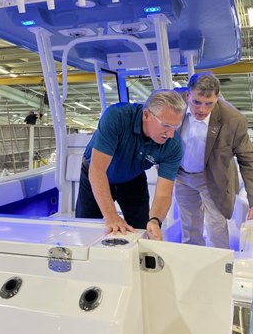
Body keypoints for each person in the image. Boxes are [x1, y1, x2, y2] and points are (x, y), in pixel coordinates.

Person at [175, 72, 253, 248]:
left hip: (214, 177)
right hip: (182, 175)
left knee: (216, 224)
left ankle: (221, 260)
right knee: (189, 223)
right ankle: (193, 257)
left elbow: (249, 160)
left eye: (209, 104)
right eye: (196, 102)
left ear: (217, 98)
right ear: (187, 95)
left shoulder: (233, 120)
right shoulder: (172, 102)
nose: (202, 110)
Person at [75, 90, 186, 240]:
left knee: (142, 230)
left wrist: (155, 220)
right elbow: (97, 169)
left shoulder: (173, 146)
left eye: (175, 127)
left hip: (133, 180)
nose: (170, 134)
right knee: (86, 229)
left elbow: (164, 194)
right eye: (165, 125)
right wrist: (112, 216)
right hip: (96, 175)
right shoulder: (117, 116)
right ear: (146, 115)